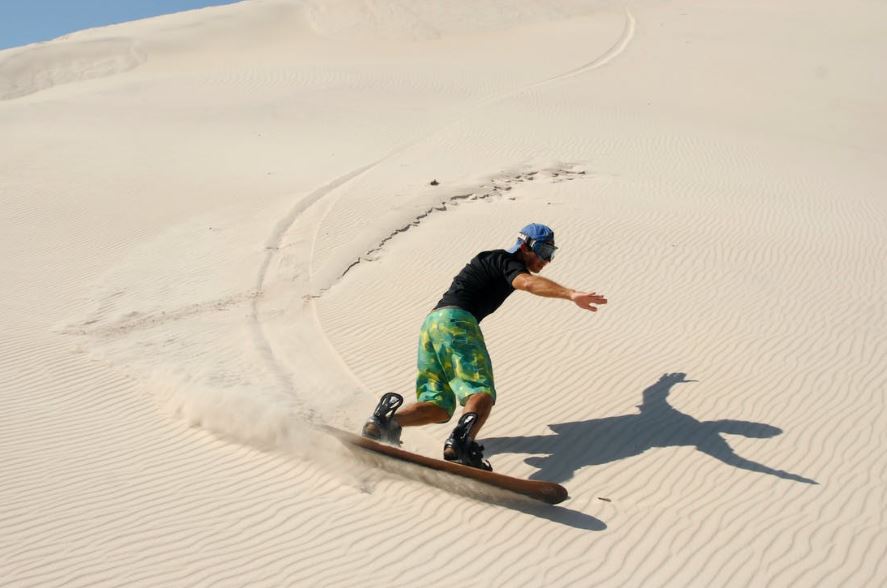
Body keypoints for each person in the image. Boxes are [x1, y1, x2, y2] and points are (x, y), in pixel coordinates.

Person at [361, 223, 607, 470]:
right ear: (524, 246)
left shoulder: (491, 260)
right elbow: (528, 283)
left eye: (551, 253)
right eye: (542, 251)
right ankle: (461, 443)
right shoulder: (506, 261)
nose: (546, 260)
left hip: (432, 326)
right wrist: (571, 294)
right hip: (458, 322)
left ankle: (386, 423)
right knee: (481, 391)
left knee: (439, 406)